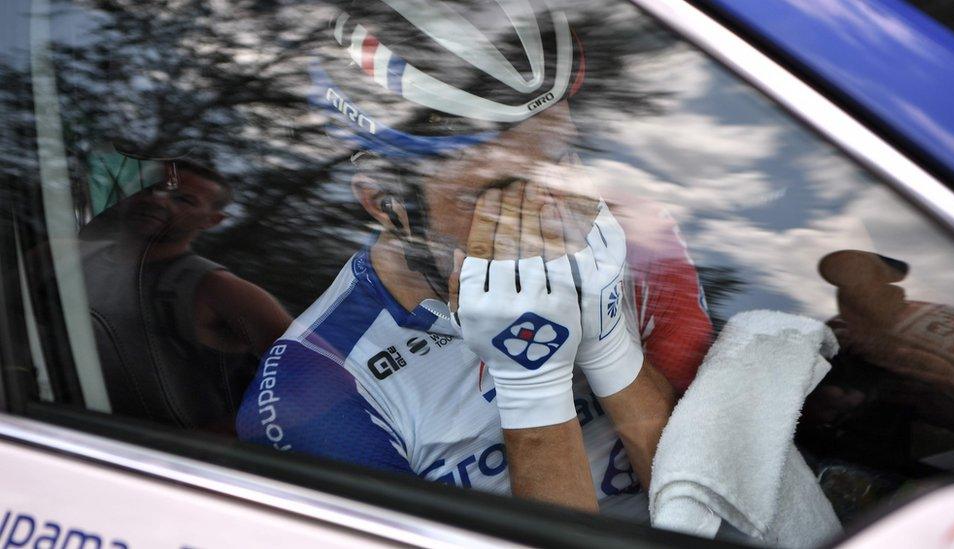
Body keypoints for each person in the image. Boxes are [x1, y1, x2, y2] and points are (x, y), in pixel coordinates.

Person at [236, 1, 711, 518]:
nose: (553, 211)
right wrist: (532, 386)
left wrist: (609, 347)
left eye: (561, 161)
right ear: (388, 206)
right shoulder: (318, 393)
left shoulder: (625, 238)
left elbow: (729, 508)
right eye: (503, 191)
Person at [81, 151, 292, 432]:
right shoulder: (63, 257)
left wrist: (209, 443)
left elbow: (313, 381)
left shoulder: (220, 291)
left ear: (212, 220)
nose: (157, 200)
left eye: (183, 199)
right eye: (150, 189)